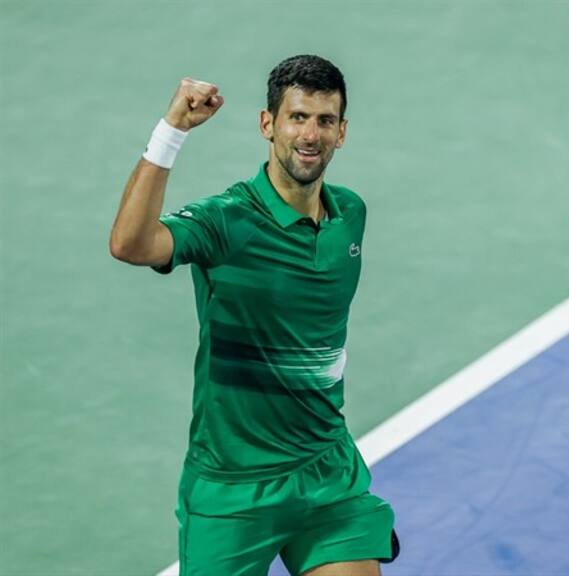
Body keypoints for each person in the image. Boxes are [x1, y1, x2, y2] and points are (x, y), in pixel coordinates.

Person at [110, 55, 398, 576]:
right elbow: (130, 244)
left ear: (342, 132)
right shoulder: (226, 221)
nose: (310, 135)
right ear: (268, 124)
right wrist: (171, 129)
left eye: (325, 120)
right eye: (297, 117)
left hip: (325, 473)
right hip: (232, 489)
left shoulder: (350, 214)